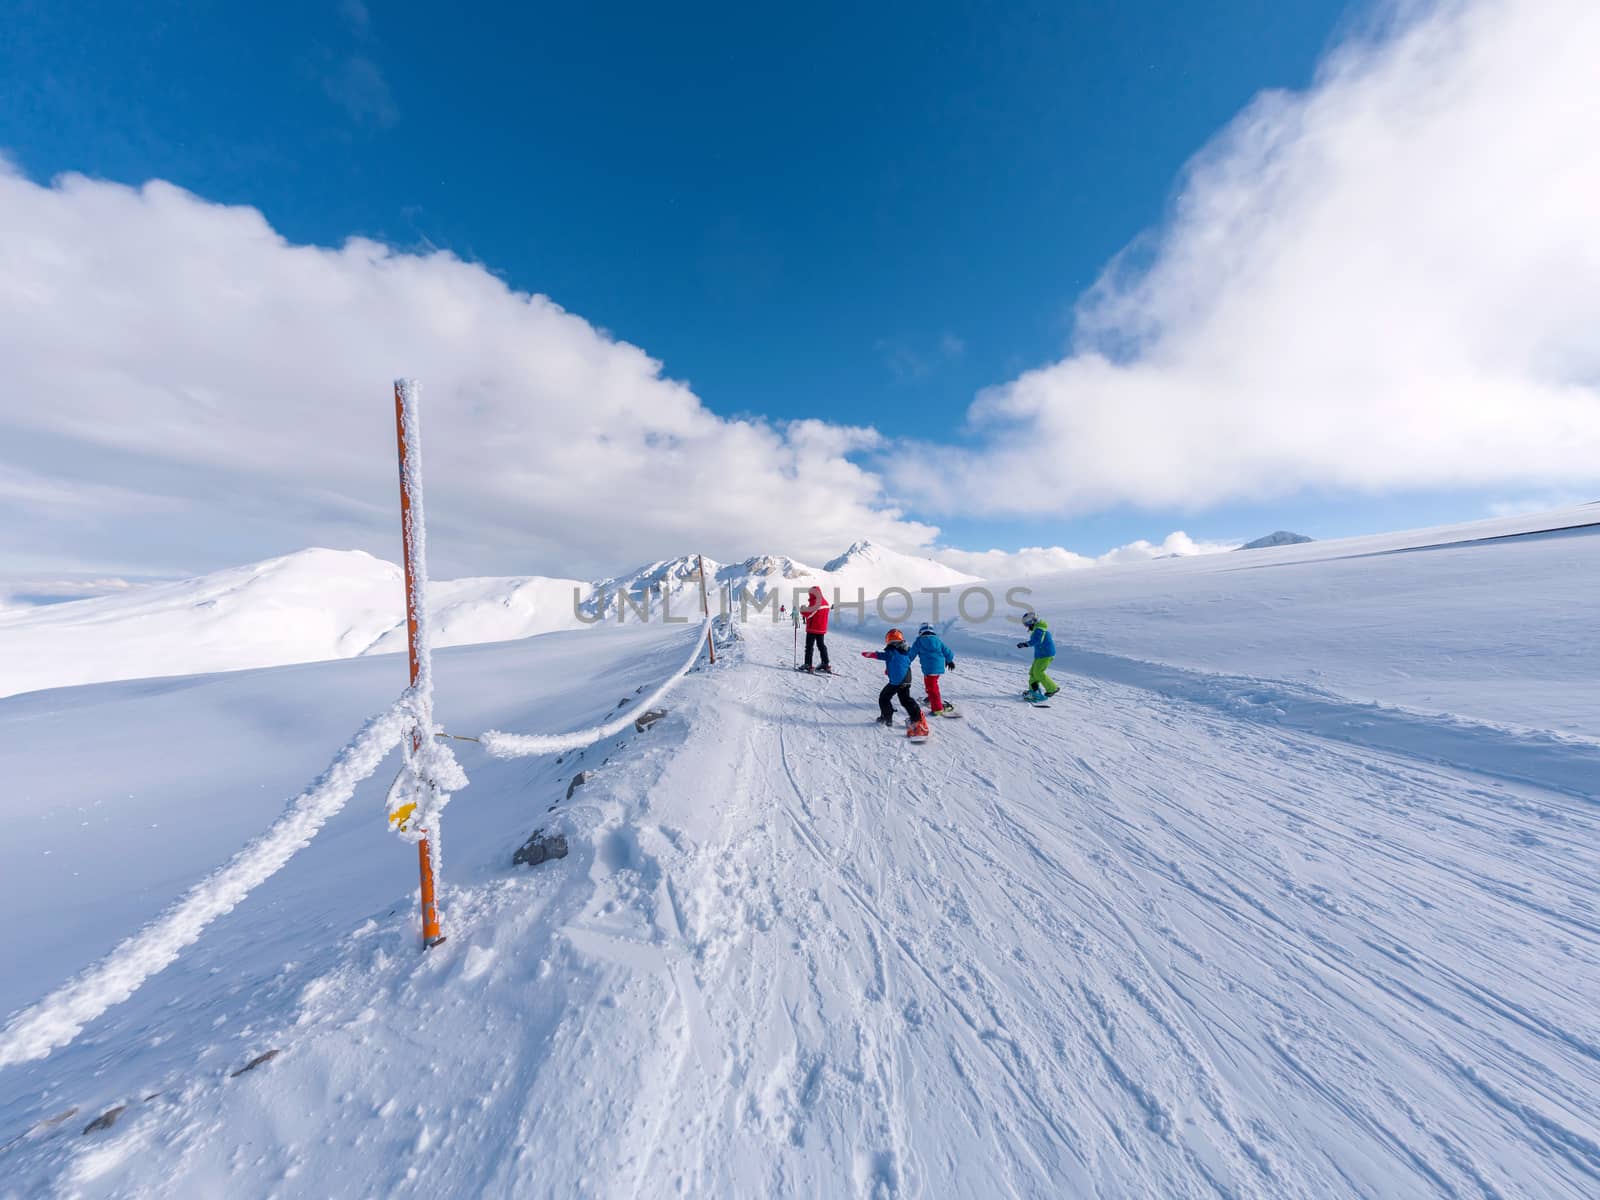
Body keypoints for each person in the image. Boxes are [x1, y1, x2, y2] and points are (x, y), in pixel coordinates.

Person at [862, 629, 928, 736]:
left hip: (897, 681)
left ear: (889, 640)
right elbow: (901, 662)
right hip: (907, 679)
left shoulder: (891, 651)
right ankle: (917, 718)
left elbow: (882, 656)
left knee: (884, 698)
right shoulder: (906, 650)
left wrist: (870, 654)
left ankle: (886, 717)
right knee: (905, 700)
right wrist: (890, 669)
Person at [911, 622, 956, 715]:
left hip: (929, 669)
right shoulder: (938, 640)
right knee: (931, 685)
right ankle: (931, 699)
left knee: (932, 688)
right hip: (939, 668)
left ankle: (937, 709)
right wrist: (950, 660)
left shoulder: (919, 641)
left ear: (920, 631)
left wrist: (904, 662)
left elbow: (911, 654)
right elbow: (948, 652)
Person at [1016, 610, 1059, 700]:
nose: (1026, 626)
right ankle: (1034, 691)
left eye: (1027, 624)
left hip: (1046, 654)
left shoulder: (1040, 630)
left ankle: (1052, 688)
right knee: (1033, 673)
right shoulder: (1038, 629)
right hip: (1040, 655)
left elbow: (1037, 640)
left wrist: (1025, 644)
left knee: (1038, 672)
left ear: (1032, 621)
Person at [798, 585, 831, 673]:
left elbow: (808, 614)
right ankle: (825, 663)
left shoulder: (816, 602)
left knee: (809, 646)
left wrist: (802, 609)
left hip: (813, 628)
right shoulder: (825, 602)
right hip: (822, 628)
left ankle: (808, 664)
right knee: (821, 645)